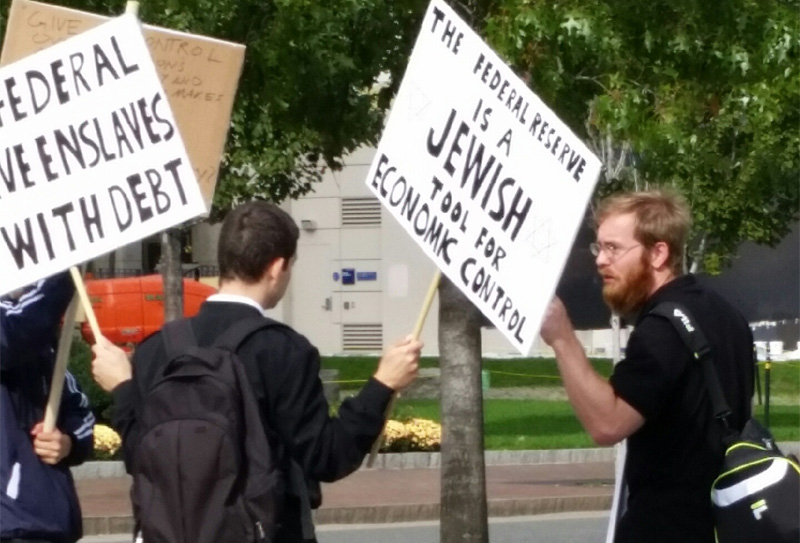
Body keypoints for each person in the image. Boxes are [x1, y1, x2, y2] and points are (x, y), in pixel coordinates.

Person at [92, 200, 423, 543]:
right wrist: (383, 384)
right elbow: (327, 457)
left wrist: (123, 389)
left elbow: (141, 457)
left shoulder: (155, 349)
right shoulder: (283, 350)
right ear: (277, 267)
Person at [539, 190, 754, 543]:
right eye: (598, 247)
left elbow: (608, 423)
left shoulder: (661, 330)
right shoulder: (726, 314)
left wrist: (562, 338)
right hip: (722, 523)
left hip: (667, 527)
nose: (600, 261)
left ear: (659, 253)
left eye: (613, 248)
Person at [1, 272, 96, 543]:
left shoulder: (43, 348)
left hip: (45, 522)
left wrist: (67, 442)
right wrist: (63, 273)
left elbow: (79, 410)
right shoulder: (18, 326)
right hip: (13, 524)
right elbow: (13, 335)